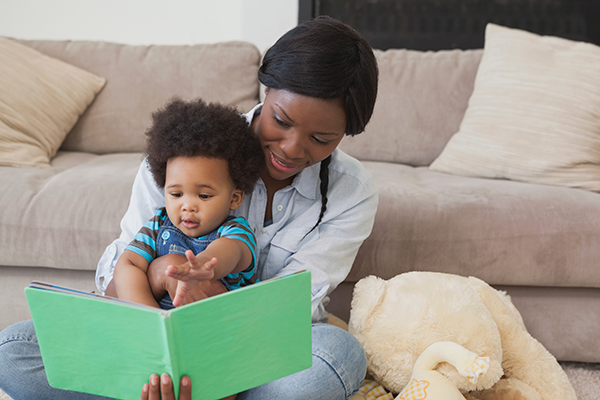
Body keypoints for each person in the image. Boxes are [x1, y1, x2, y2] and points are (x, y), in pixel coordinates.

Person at [0, 15, 379, 400]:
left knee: (336, 357)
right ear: (265, 90)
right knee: (12, 348)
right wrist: (162, 287)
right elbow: (116, 277)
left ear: (346, 133)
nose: (291, 148)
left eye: (320, 138)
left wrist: (211, 301)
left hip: (252, 352)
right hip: (147, 336)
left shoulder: (353, 192)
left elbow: (290, 308)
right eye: (280, 120)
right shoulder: (182, 155)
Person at [113, 97, 263, 309]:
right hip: (165, 331)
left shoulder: (234, 231)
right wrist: (151, 317)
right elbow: (127, 265)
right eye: (176, 194)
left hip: (223, 332)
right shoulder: (157, 226)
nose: (188, 206)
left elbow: (233, 252)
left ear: (234, 198)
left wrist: (206, 265)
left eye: (203, 196)